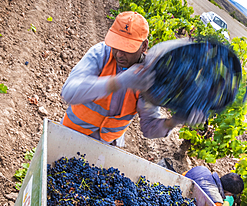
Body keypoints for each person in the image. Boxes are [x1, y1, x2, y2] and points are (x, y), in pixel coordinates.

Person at [61, 11, 204, 147]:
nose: (119, 54)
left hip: (104, 145)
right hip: (70, 132)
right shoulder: (101, 54)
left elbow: (148, 128)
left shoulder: (146, 77)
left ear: (144, 46)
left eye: (127, 48)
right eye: (116, 45)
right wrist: (117, 82)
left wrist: (174, 121)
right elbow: (68, 92)